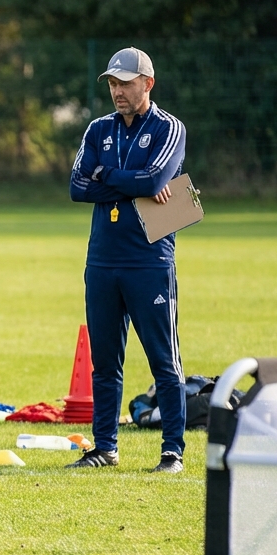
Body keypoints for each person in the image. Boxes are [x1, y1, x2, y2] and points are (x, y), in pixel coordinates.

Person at [68, 46, 188, 474]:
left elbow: (155, 179)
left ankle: (172, 452)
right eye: (113, 84)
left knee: (163, 360)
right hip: (102, 260)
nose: (117, 91)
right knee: (104, 362)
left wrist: (106, 175)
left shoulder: (169, 127)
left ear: (147, 83)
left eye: (125, 83)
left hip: (150, 260)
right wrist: (132, 183)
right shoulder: (98, 128)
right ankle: (105, 447)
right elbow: (77, 186)